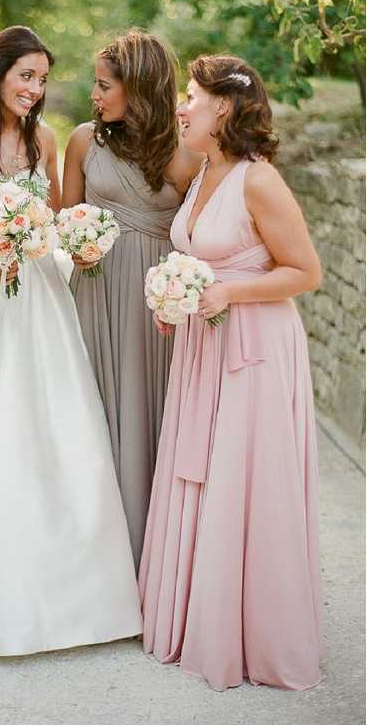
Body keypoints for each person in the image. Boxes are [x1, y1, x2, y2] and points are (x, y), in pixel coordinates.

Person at [0, 26, 142, 657]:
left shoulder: (45, 141)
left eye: (42, 79)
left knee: (58, 427)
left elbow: (58, 220)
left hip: (41, 301)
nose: (35, 89)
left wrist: (74, 241)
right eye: (26, 76)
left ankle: (78, 603)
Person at [139, 54, 323, 690]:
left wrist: (228, 293)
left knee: (247, 478)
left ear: (223, 107)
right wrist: (176, 300)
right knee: (207, 471)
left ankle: (256, 634)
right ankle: (202, 615)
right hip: (205, 344)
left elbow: (305, 272)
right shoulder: (203, 172)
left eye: (191, 96)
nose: (181, 107)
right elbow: (200, 257)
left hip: (255, 349)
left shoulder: (258, 180)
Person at [62, 30, 203, 569]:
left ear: (139, 88)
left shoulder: (187, 154)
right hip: (93, 294)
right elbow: (65, 222)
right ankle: (93, 559)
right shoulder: (83, 141)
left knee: (151, 413)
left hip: (154, 305)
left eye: (104, 86)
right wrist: (77, 246)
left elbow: (199, 237)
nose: (94, 95)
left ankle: (153, 559)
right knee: (89, 412)